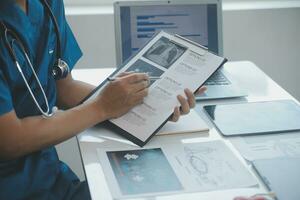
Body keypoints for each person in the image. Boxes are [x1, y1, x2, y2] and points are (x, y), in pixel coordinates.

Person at [0, 0, 206, 199]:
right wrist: (101, 107)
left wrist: (148, 105)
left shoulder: (47, 4)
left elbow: (63, 88)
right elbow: (10, 140)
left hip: (50, 180)